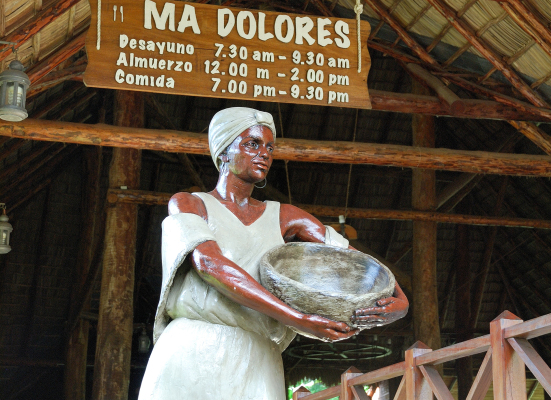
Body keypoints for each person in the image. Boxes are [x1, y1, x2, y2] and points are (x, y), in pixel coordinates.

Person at [139, 107, 409, 399]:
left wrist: (400, 300)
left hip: (259, 355)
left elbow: (359, 266)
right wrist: (295, 317)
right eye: (252, 144)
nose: (264, 153)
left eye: (269, 147)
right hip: (193, 348)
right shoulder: (189, 204)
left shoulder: (286, 217)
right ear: (224, 151)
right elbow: (209, 264)